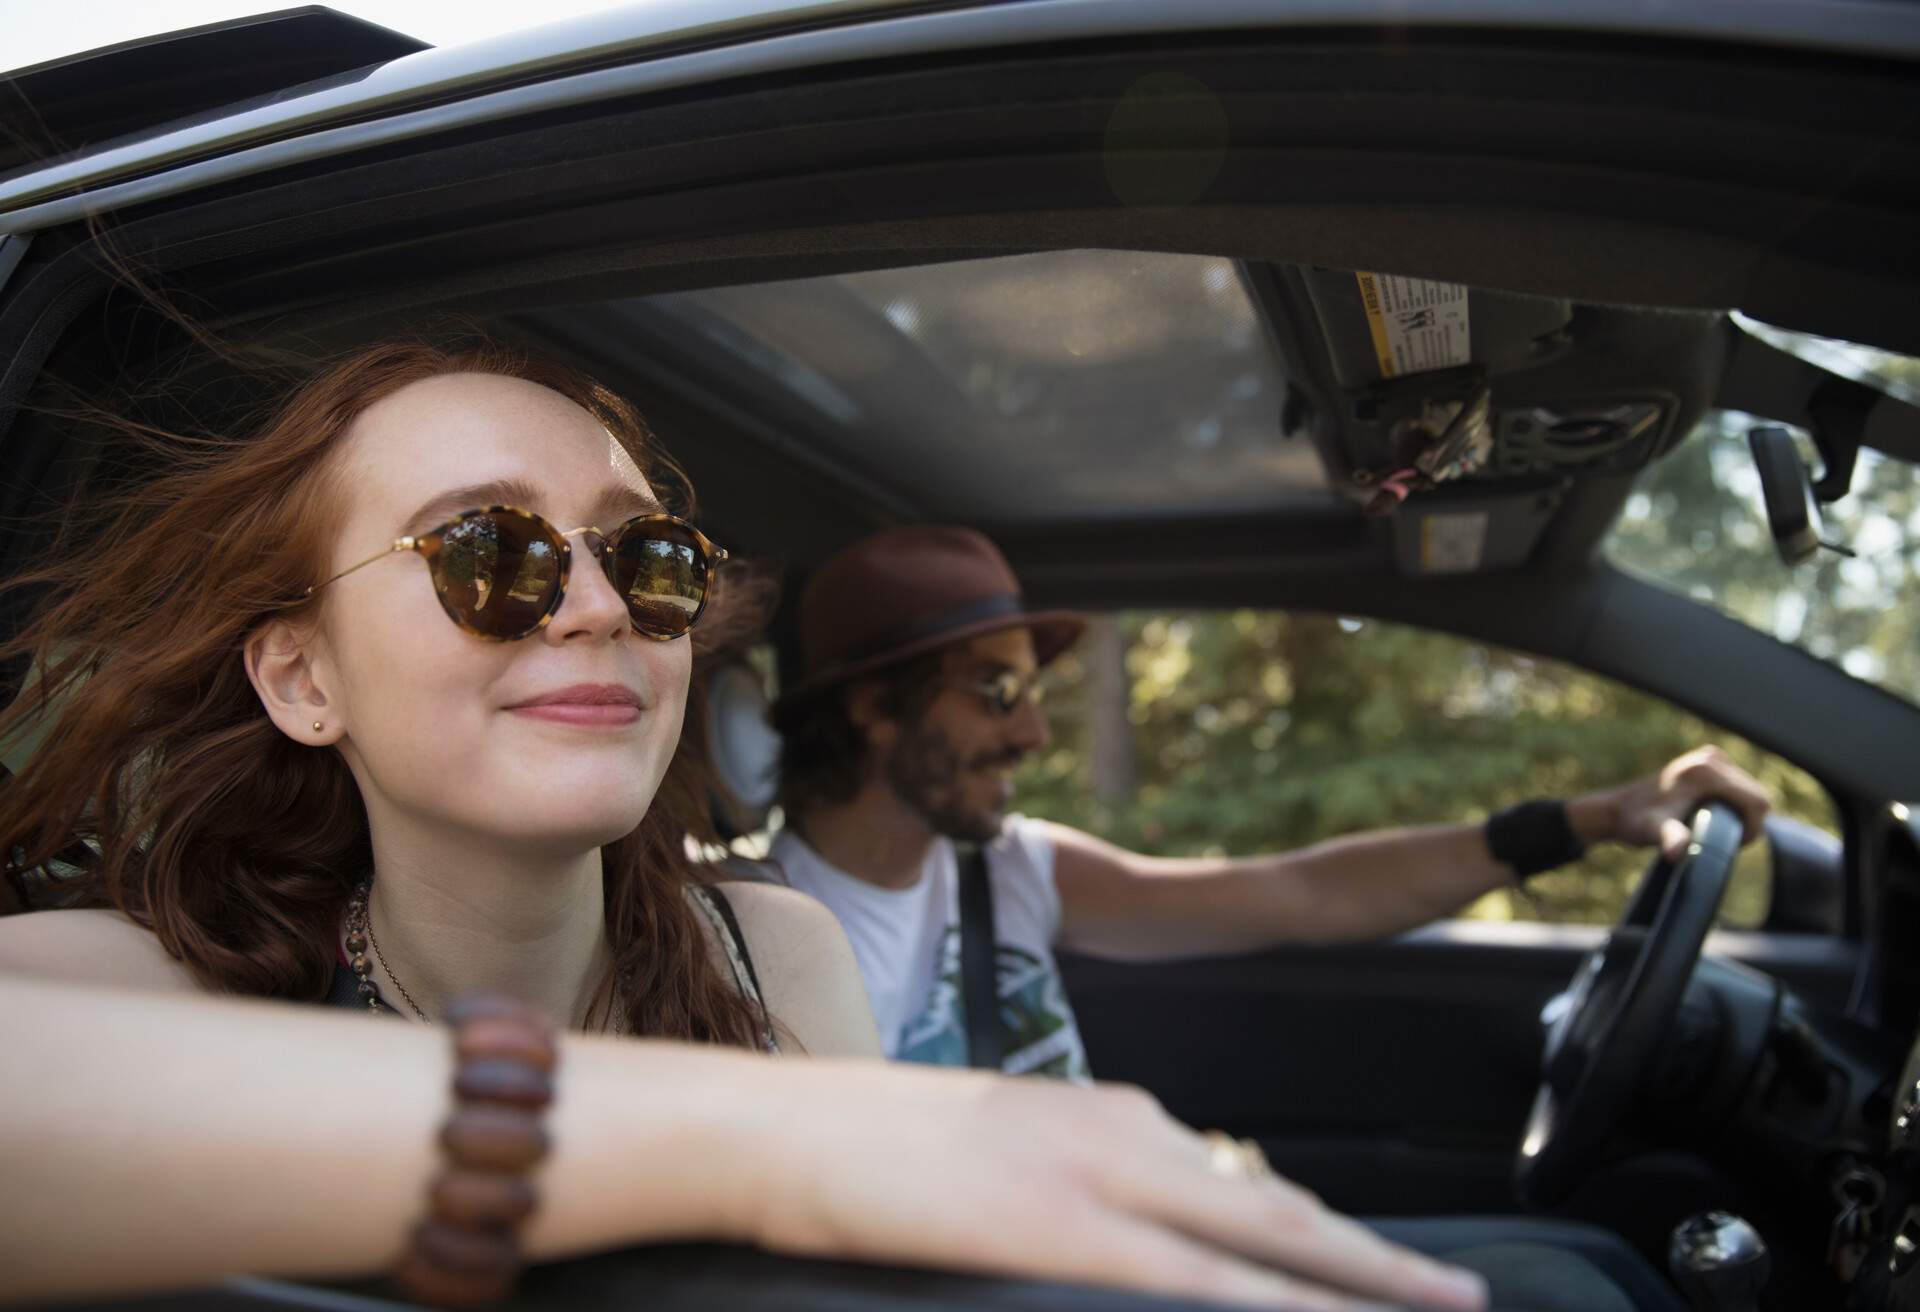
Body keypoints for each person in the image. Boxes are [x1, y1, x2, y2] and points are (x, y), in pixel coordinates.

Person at [0, 341, 1491, 1312]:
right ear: (301, 675)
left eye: (647, 557)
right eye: (492, 553)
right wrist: (781, 1142)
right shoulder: (165, 983)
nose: (597, 608)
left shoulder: (774, 955)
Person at [764, 525, 1773, 1080]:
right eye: (998, 692)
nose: (1032, 734)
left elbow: (1301, 893)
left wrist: (1584, 820)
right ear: (872, 710)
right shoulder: (751, 927)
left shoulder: (1012, 869)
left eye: (1032, 693)